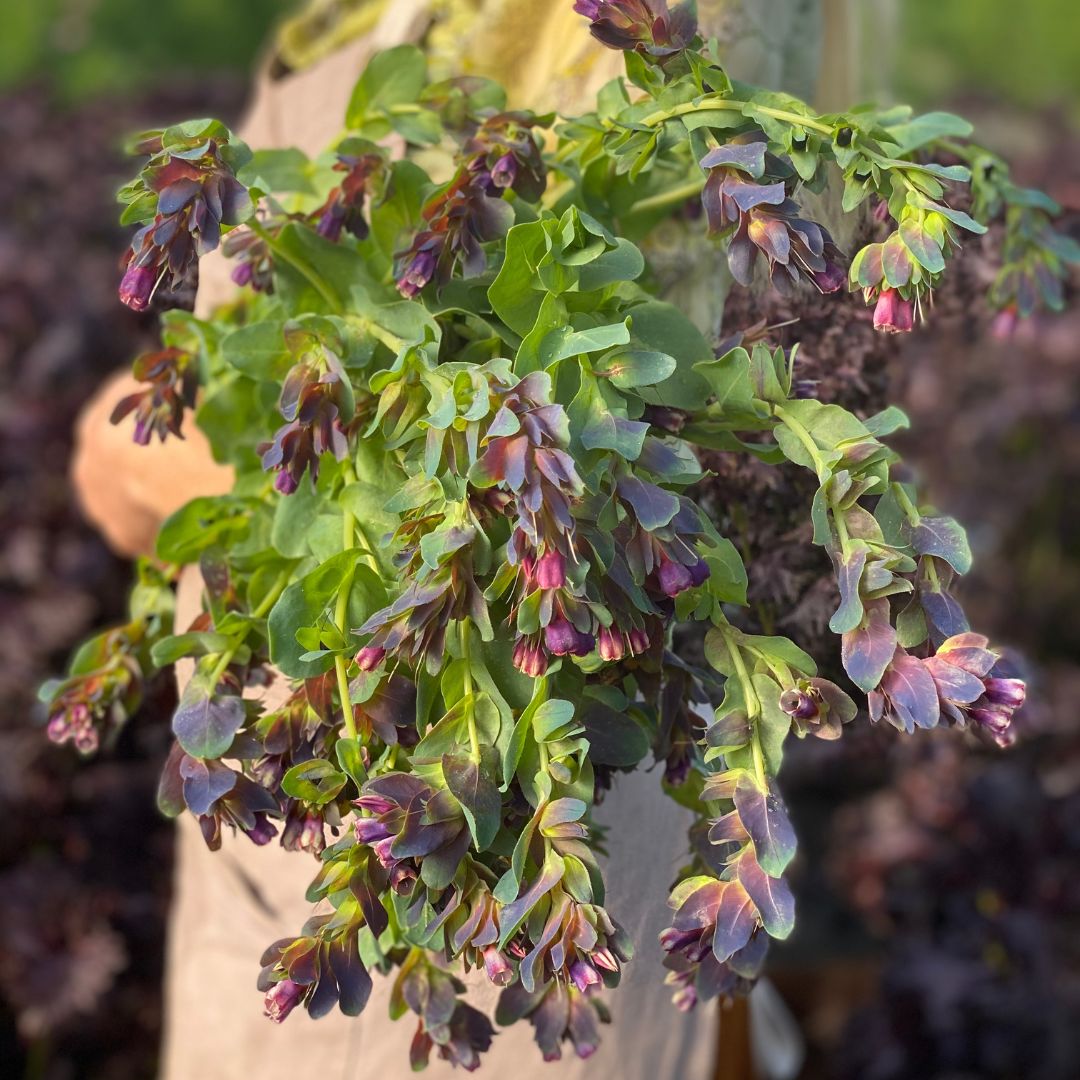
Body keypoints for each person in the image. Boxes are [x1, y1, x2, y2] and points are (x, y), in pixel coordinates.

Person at [72, 2, 844, 1075]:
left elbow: (579, 485)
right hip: (298, 825)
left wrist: (195, 470)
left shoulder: (686, 38)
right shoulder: (369, 23)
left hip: (490, 854)